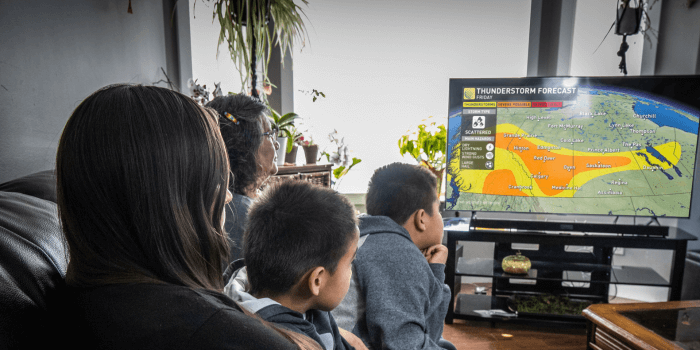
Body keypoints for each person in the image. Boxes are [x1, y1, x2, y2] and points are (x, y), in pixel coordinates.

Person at [56, 84, 319, 349]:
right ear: (171, 199)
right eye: (215, 181)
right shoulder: (217, 334)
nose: (227, 197)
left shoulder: (85, 303)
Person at [224, 180, 364, 350]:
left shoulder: (309, 304)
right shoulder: (268, 339)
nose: (351, 270)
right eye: (350, 262)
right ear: (317, 280)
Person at [331, 163, 456, 350]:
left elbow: (425, 333)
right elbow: (405, 345)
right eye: (438, 210)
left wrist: (434, 271)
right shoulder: (396, 253)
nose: (441, 219)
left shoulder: (368, 235)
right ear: (421, 218)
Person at [206, 94, 280, 263]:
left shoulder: (234, 203)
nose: (276, 144)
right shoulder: (242, 213)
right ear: (246, 146)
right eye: (269, 134)